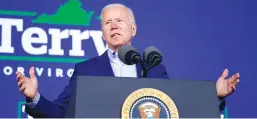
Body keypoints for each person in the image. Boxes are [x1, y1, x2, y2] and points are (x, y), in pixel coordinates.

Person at [16, 3, 240, 118]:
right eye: (108, 23)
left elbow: (176, 109)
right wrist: (34, 96)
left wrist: (215, 97)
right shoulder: (86, 70)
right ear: (102, 34)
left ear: (133, 29)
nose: (114, 25)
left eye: (119, 21)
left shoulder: (152, 67)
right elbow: (59, 114)